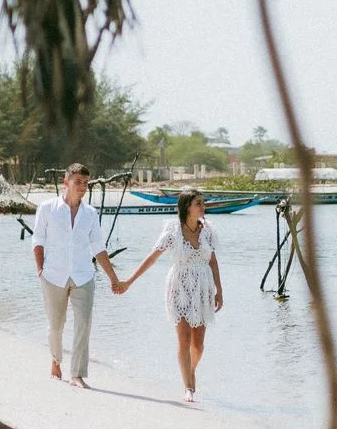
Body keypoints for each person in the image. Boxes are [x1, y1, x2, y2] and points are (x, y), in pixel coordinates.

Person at [115, 188, 223, 402]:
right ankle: (189, 387)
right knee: (183, 340)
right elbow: (152, 257)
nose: (203, 207)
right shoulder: (173, 231)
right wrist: (128, 281)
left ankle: (190, 370)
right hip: (179, 287)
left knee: (198, 344)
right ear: (186, 208)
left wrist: (219, 290)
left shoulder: (209, 230)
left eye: (203, 203)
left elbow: (212, 261)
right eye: (198, 203)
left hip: (203, 289)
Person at [32, 162, 120, 386]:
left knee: (83, 324)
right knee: (56, 325)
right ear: (66, 182)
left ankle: (77, 374)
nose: (82, 187)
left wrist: (113, 278)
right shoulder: (47, 208)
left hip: (83, 276)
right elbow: (38, 240)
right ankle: (55, 360)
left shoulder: (90, 214)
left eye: (86, 183)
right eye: (78, 182)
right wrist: (40, 269)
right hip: (53, 276)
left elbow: (98, 247)